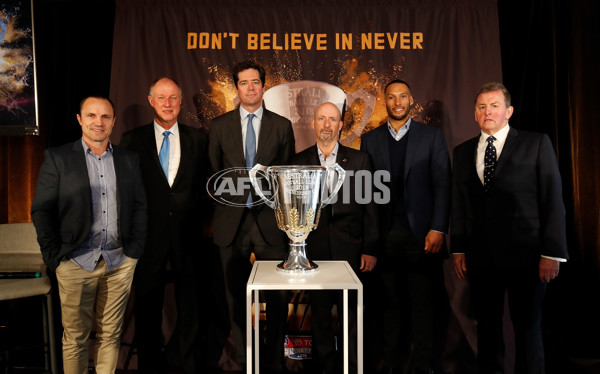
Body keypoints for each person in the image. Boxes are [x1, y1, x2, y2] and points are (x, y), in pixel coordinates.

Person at [451, 82, 568, 374]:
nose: (487, 111)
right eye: (481, 107)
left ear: (508, 111)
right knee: (487, 331)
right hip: (481, 259)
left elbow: (552, 199)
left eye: (494, 106)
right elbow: (460, 204)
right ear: (475, 114)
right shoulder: (462, 152)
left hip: (528, 257)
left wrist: (552, 253)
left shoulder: (537, 143)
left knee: (528, 330)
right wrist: (459, 248)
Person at [31, 96, 147, 374]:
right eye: (92, 116)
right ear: (80, 119)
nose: (99, 122)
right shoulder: (58, 158)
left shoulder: (129, 160)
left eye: (105, 116)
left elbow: (140, 205)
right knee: (76, 338)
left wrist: (134, 252)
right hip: (75, 261)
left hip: (119, 262)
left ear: (113, 122)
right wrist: (55, 257)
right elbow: (41, 211)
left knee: (110, 335)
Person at [208, 60, 295, 373]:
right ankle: (247, 361)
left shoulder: (282, 126)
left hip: (270, 224)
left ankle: (273, 361)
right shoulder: (219, 127)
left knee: (276, 296)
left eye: (256, 82)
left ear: (263, 85)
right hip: (231, 224)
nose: (250, 87)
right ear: (237, 87)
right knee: (235, 297)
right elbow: (215, 175)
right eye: (244, 82)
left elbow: (286, 179)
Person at [360, 79, 451, 374]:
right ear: (384, 101)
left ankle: (423, 367)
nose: (397, 102)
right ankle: (391, 365)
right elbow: (366, 195)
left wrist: (438, 228)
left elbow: (442, 185)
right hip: (385, 238)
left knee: (424, 307)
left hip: (422, 237)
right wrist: (369, 243)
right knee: (388, 308)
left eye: (402, 96)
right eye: (391, 97)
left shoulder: (431, 137)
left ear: (411, 100)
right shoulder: (370, 140)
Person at [119, 77, 209, 374]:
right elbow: (125, 192)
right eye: (162, 98)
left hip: (190, 237)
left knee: (192, 308)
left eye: (173, 98)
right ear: (151, 101)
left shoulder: (199, 139)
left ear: (180, 102)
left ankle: (191, 366)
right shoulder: (132, 141)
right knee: (147, 309)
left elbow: (207, 188)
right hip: (148, 238)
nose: (168, 104)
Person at [291, 102, 379, 374]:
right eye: (321, 119)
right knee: (319, 315)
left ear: (341, 125)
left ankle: (352, 368)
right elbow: (294, 208)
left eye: (332, 119)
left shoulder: (360, 160)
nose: (327, 124)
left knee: (351, 314)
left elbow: (370, 209)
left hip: (350, 250)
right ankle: (324, 368)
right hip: (313, 252)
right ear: (314, 124)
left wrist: (370, 248)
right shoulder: (299, 160)